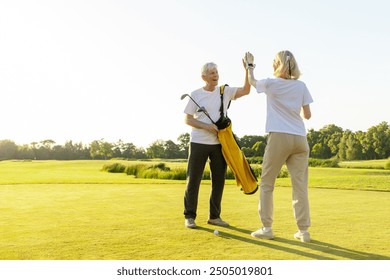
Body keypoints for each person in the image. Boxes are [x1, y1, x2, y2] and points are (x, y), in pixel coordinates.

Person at [245, 50, 313, 242]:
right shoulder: (301, 86)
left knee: (267, 183)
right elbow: (307, 115)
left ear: (277, 64)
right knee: (300, 186)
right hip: (300, 138)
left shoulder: (271, 83)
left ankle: (267, 228)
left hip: (279, 137)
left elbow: (252, 81)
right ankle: (304, 232)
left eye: (274, 62)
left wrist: (249, 67)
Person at [183, 59, 250, 229]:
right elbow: (187, 119)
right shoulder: (196, 94)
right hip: (198, 142)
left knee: (219, 180)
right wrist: (206, 126)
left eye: (217, 73)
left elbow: (246, 91)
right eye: (212, 73)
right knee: (194, 179)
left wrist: (247, 70)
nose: (215, 75)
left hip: (220, 144)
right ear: (203, 76)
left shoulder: (225, 91)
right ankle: (189, 216)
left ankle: (214, 216)